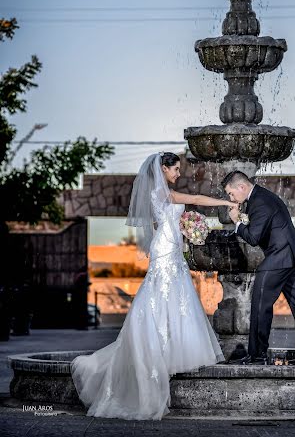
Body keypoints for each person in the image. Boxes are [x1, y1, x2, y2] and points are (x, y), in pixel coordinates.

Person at [71, 152, 237, 420]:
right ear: (163, 168)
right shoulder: (163, 195)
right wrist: (224, 201)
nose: (178, 174)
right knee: (162, 295)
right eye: (175, 170)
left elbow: (166, 220)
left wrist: (184, 228)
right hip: (165, 250)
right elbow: (194, 200)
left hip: (168, 246)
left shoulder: (159, 194)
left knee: (170, 296)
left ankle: (166, 348)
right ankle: (159, 349)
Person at [222, 170, 295, 366]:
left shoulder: (260, 202)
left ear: (241, 187)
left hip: (280, 258)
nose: (231, 198)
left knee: (260, 305)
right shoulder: (262, 196)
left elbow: (253, 238)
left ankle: (257, 356)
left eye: (231, 193)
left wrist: (236, 220)